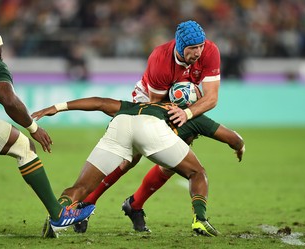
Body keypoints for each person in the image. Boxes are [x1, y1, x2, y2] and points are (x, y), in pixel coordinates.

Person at [32, 96, 245, 237]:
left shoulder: (145, 104)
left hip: (122, 123)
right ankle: (200, 219)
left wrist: (57, 108)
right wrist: (240, 148)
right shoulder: (193, 115)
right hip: (152, 130)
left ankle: (56, 217)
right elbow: (233, 138)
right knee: (197, 172)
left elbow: (100, 103)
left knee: (80, 187)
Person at [82, 19, 222, 233]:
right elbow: (156, 107)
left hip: (183, 107)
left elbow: (211, 98)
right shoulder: (160, 59)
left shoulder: (210, 51)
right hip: (148, 101)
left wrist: (186, 112)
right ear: (181, 46)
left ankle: (135, 205)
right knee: (129, 157)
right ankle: (87, 203)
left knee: (175, 161)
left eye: (201, 46)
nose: (199, 52)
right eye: (193, 48)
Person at [0, 25, 95, 236]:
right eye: (1, 47)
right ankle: (58, 215)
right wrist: (33, 127)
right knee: (23, 146)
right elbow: (9, 100)